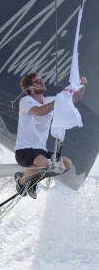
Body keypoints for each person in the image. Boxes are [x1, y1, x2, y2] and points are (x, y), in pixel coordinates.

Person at [14, 71, 87, 199]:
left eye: (41, 79)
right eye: (38, 81)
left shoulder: (49, 100)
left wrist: (81, 85)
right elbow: (40, 112)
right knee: (43, 164)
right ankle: (21, 182)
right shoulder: (26, 101)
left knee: (66, 164)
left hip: (40, 150)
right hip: (24, 149)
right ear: (30, 88)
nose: (42, 82)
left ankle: (32, 180)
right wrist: (59, 100)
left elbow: (75, 98)